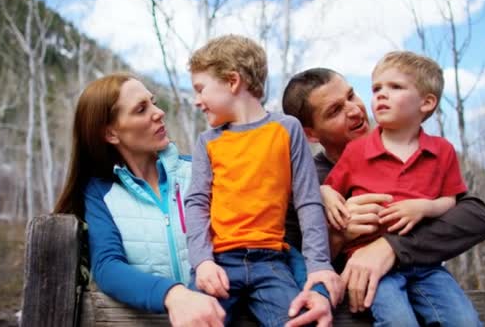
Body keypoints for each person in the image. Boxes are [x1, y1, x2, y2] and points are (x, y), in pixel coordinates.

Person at [281, 67, 485, 319]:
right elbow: (289, 259)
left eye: (351, 96)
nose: (354, 110)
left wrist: (390, 247)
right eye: (335, 111)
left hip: (427, 286)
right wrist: (338, 235)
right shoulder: (305, 186)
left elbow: (477, 217)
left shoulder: (417, 152)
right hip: (361, 307)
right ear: (310, 134)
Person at [184, 34, 340, 327]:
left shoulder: (287, 129)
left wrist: (319, 264)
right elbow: (196, 204)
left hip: (271, 263)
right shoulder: (208, 142)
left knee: (298, 320)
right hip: (218, 262)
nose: (197, 101)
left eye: (201, 89)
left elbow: (308, 201)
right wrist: (202, 261)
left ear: (232, 81)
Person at [53, 72, 225, 327]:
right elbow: (107, 266)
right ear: (111, 133)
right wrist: (173, 294)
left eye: (153, 102)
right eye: (141, 109)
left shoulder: (199, 171)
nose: (158, 113)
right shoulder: (101, 194)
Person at [323, 51, 481, 326]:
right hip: (373, 268)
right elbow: (329, 190)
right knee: (398, 321)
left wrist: (424, 207)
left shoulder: (442, 151)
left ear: (426, 102)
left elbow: (451, 201)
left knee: (464, 320)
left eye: (395, 87)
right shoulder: (356, 151)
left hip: (427, 265)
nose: (381, 95)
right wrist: (325, 194)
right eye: (376, 88)